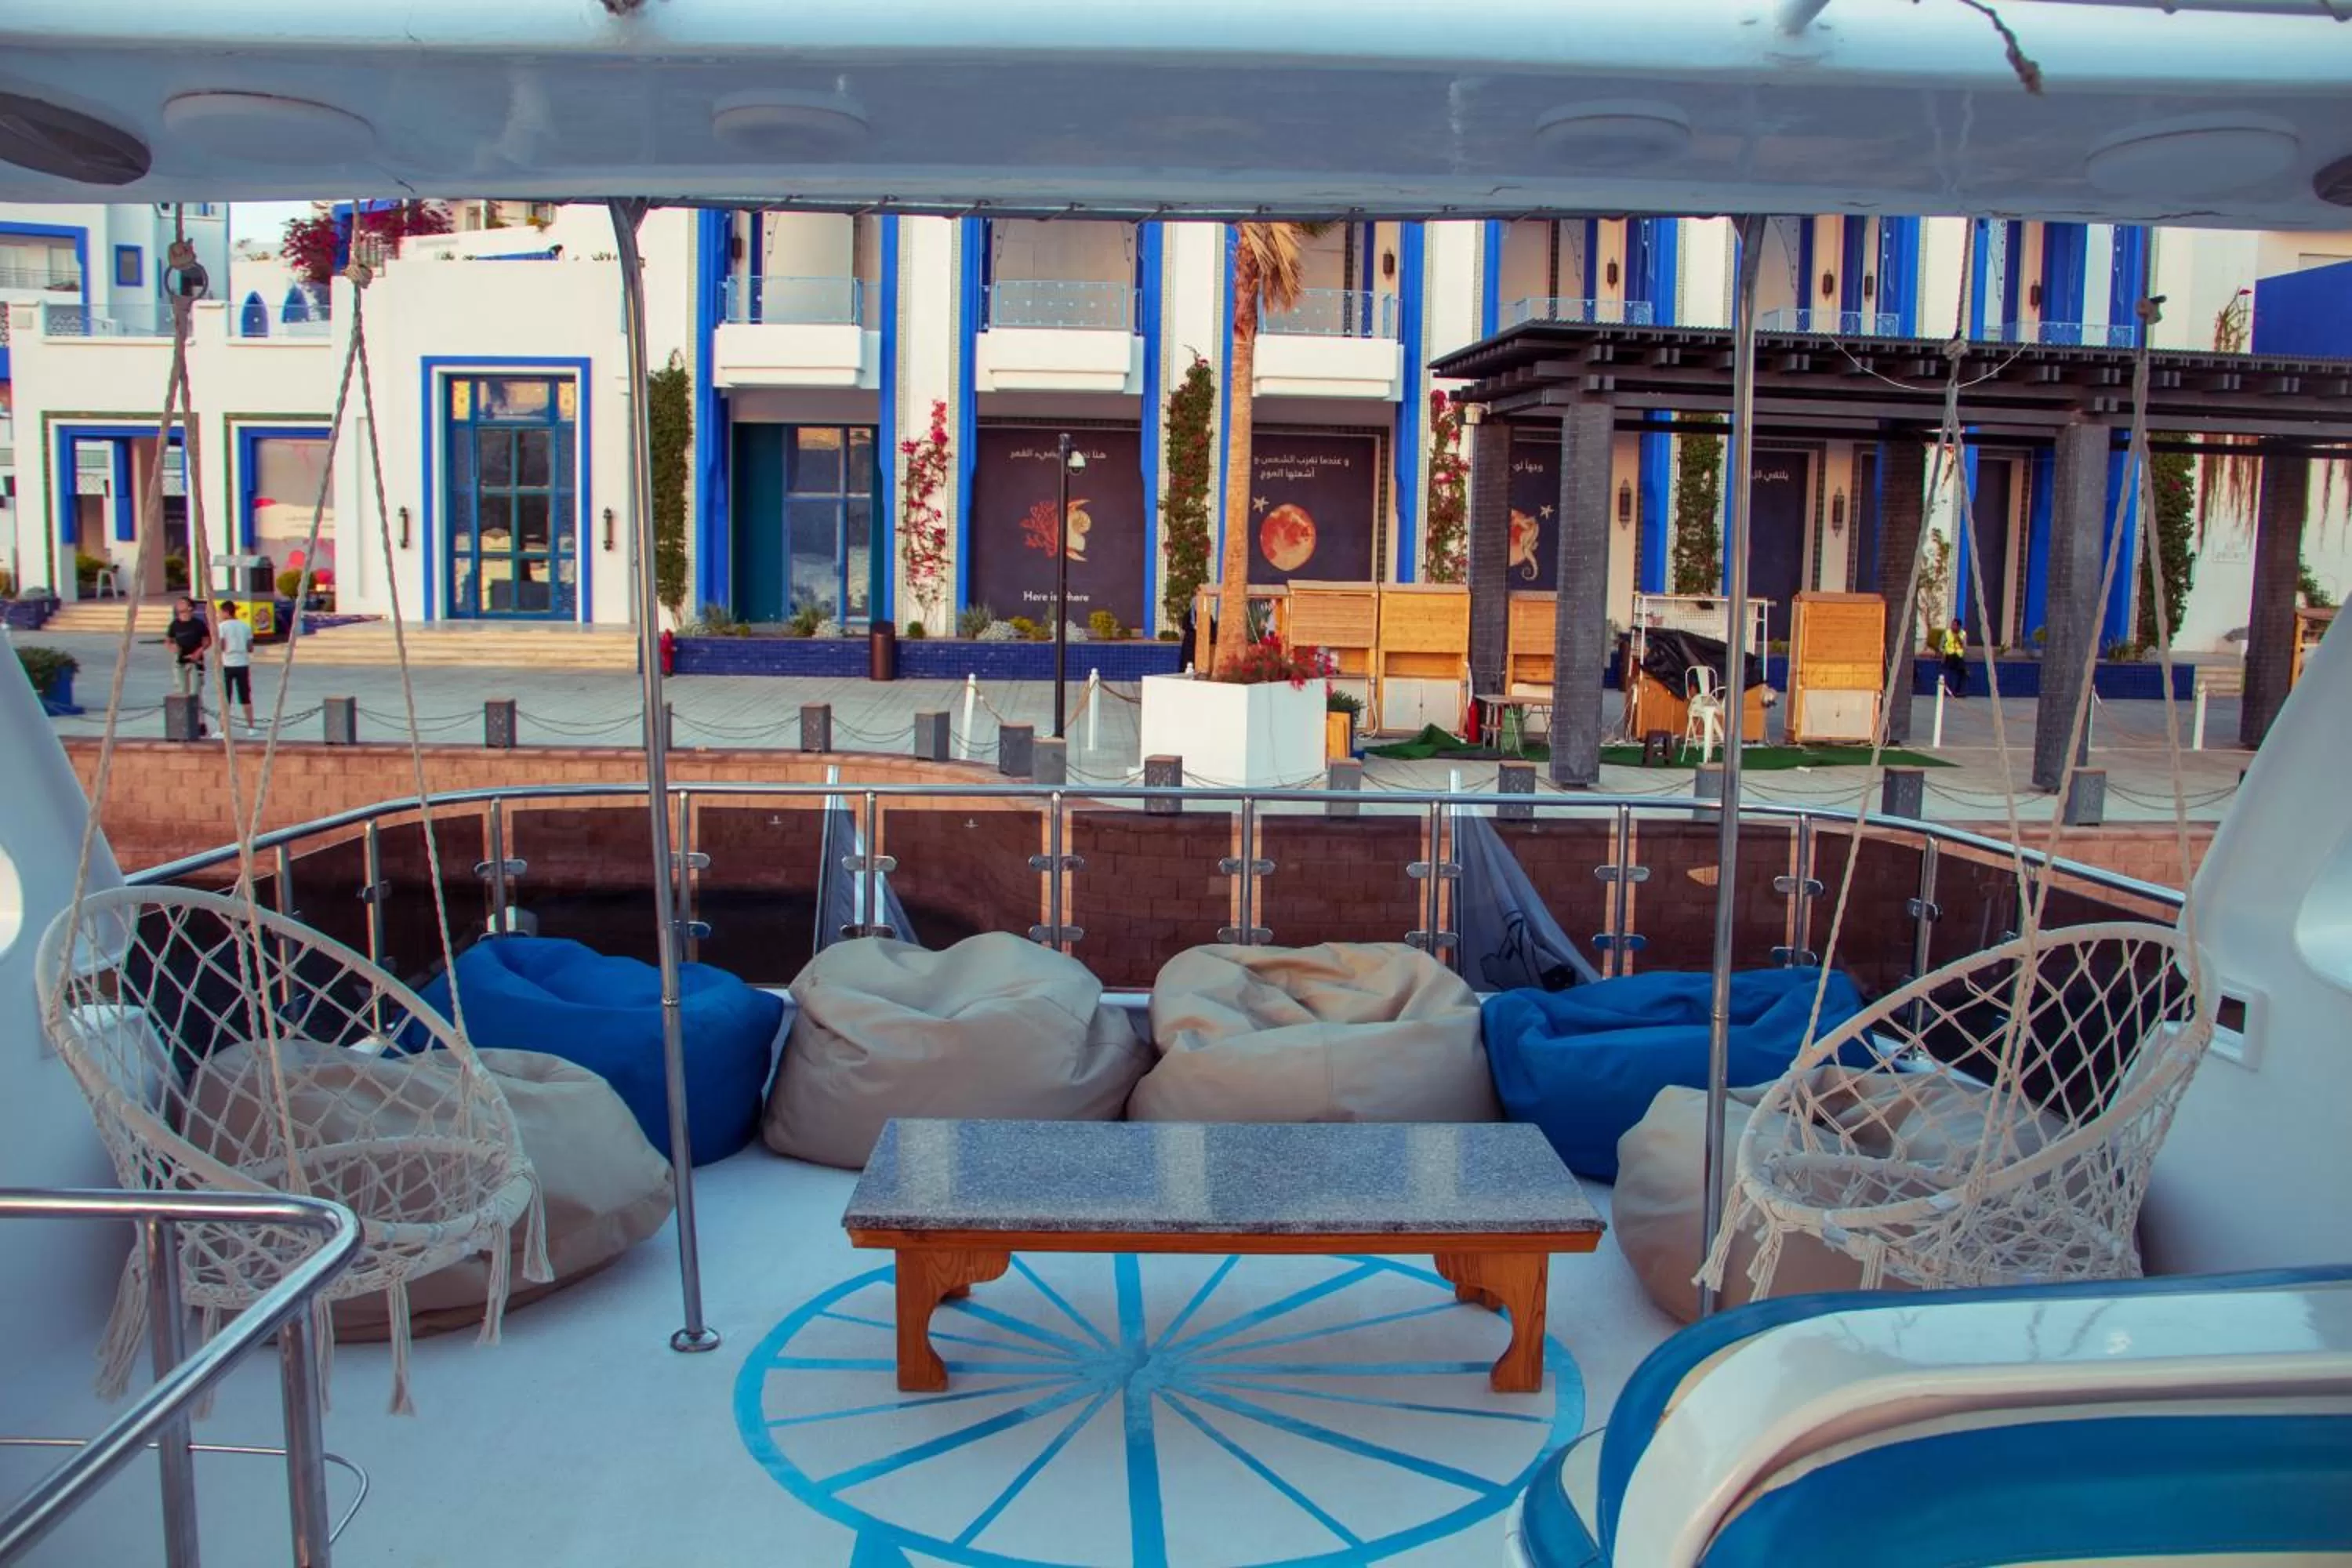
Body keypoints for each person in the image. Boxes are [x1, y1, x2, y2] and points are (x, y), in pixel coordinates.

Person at [213, 598, 257, 732]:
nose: (219, 615)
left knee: (226, 697)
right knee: (245, 696)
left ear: (226, 612)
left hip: (228, 663)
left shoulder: (222, 627)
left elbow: (221, 646)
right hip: (243, 663)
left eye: (220, 612)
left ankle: (223, 729)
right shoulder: (245, 626)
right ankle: (251, 727)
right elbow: (250, 647)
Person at [165, 596, 209, 699]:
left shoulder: (199, 624)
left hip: (195, 660)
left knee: (195, 692)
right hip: (180, 659)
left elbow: (207, 641)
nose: (179, 605)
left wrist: (199, 651)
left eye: (182, 603)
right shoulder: (174, 624)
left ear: (190, 608)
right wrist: (172, 647)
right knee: (181, 690)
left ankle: (196, 713)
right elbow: (168, 640)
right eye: (178, 603)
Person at [1939, 616, 1968, 699]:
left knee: (1963, 672)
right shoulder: (1947, 633)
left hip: (1959, 656)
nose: (1952, 627)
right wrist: (1943, 652)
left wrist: (1959, 639)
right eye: (1952, 625)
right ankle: (1947, 690)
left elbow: (1965, 647)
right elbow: (1941, 646)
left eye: (1955, 625)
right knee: (1948, 671)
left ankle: (1959, 691)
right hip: (1948, 655)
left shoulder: (1963, 634)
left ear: (1959, 627)